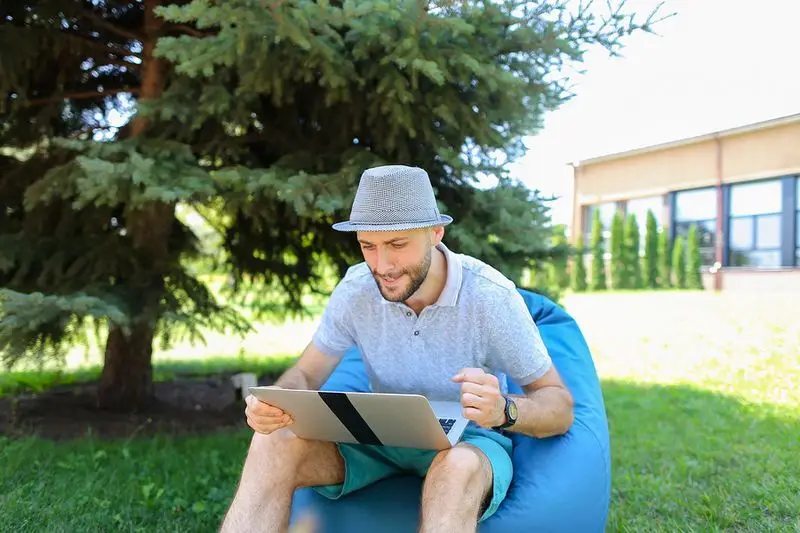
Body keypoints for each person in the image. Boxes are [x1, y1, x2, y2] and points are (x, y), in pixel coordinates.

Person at [220, 165, 574, 533]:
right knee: (271, 442)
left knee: (457, 469)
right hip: (379, 433)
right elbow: (306, 373)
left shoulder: (489, 297)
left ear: (436, 233)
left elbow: (558, 406)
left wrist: (504, 409)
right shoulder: (356, 288)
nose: (382, 265)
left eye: (397, 245)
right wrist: (279, 398)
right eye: (367, 246)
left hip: (466, 440)